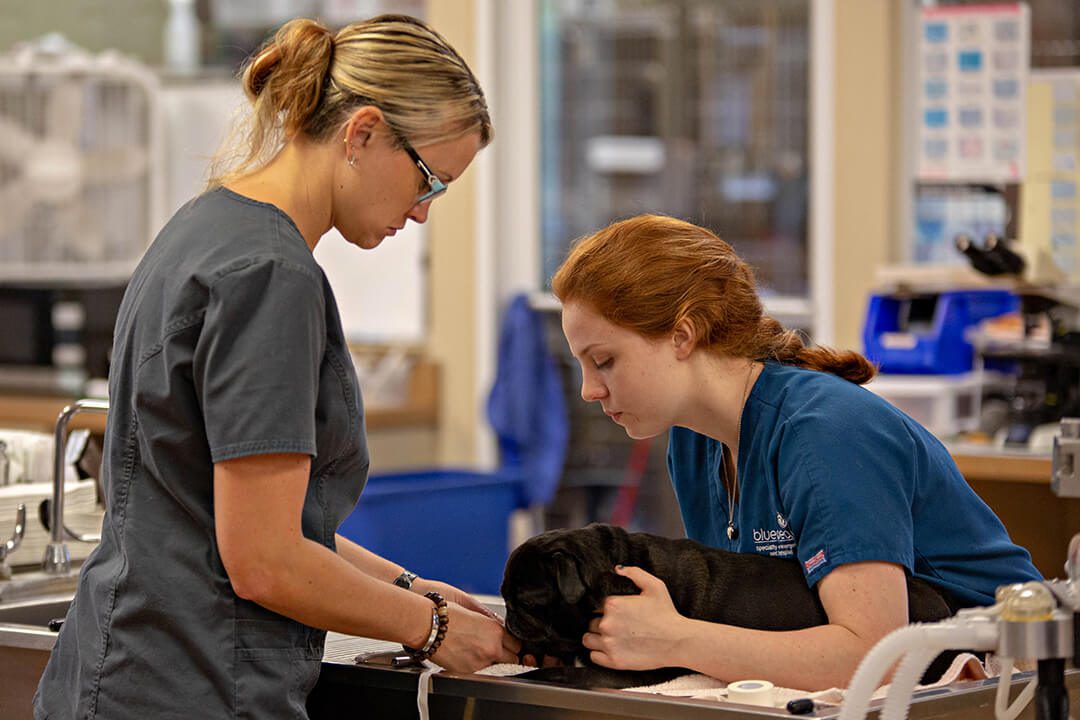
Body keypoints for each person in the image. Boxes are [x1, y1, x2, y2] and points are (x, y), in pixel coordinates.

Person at [35, 15, 520, 720]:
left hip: (123, 671)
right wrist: (433, 630)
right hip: (189, 686)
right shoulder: (270, 275)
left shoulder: (208, 225)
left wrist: (415, 589)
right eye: (429, 181)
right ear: (362, 133)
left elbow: (263, 517)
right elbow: (264, 560)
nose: (422, 213)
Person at [551, 214, 1041, 691]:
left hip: (1000, 678)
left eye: (604, 361)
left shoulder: (824, 432)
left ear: (683, 334)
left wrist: (675, 639)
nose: (588, 391)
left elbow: (875, 658)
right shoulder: (694, 441)